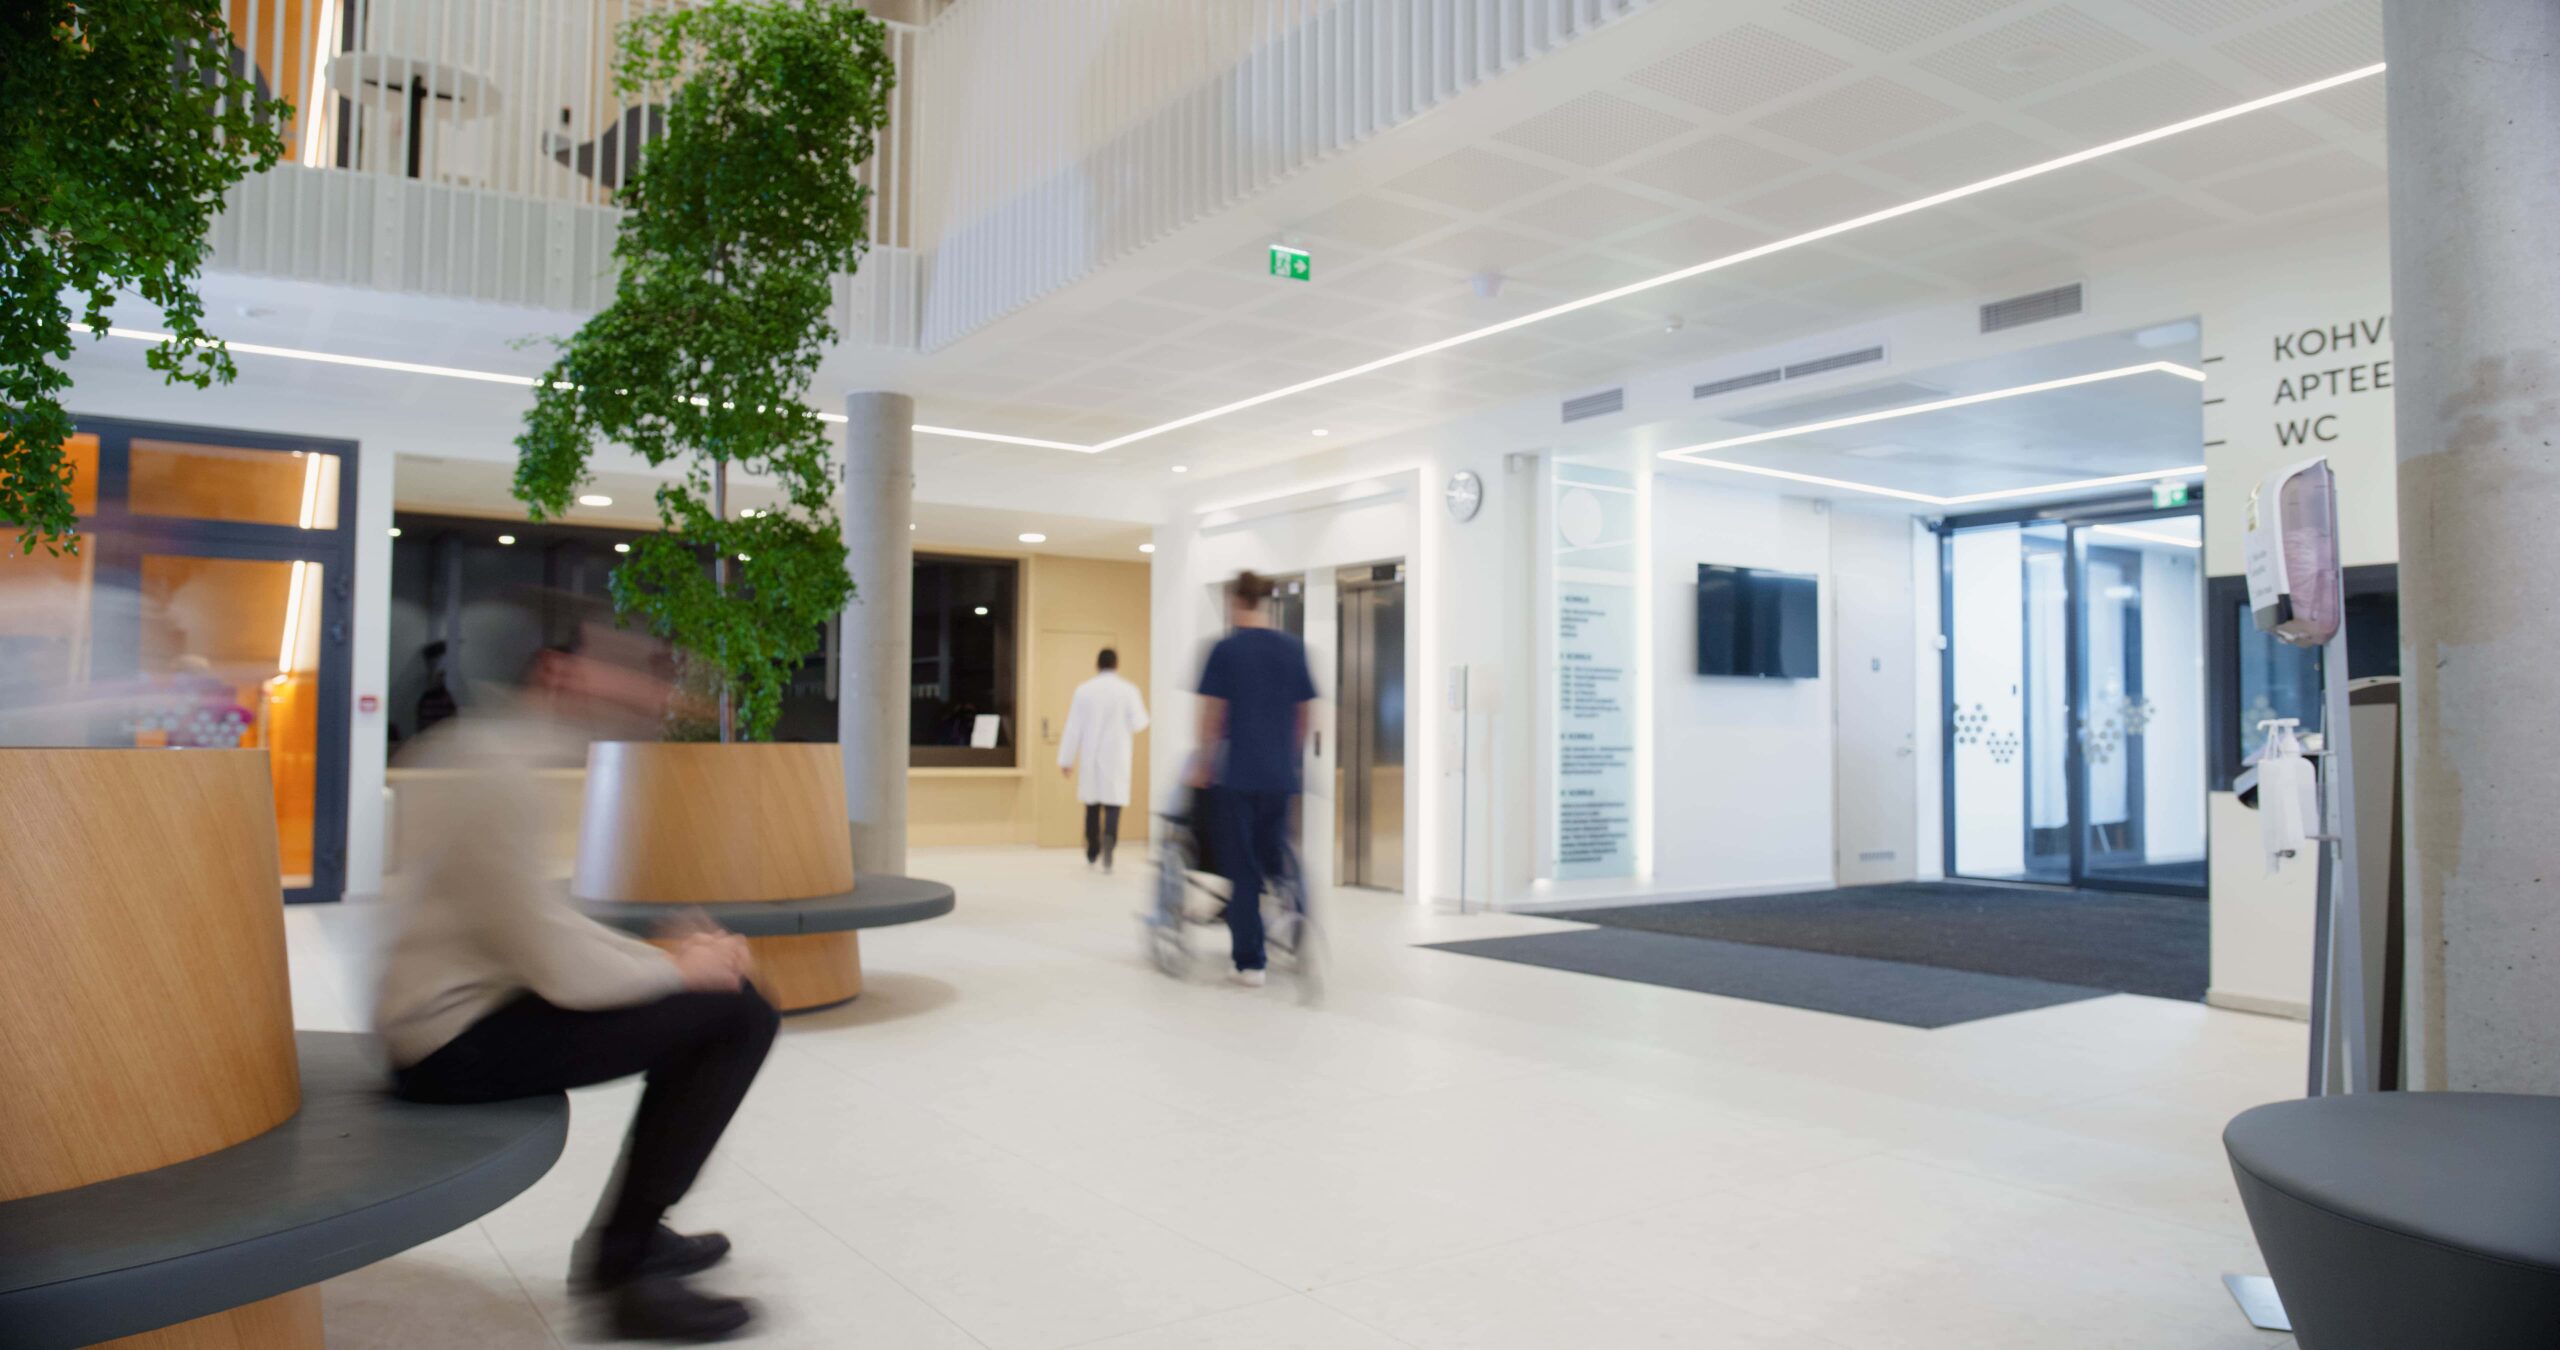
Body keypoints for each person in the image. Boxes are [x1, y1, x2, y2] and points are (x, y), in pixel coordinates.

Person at [373, 630, 776, 1343]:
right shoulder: (497, 771)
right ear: (558, 671)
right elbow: (546, 953)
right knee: (737, 1016)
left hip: (468, 1010)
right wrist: (677, 970)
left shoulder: (498, 751)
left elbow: (536, 920)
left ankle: (638, 1237)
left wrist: (669, 959)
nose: (650, 695)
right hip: (448, 1044)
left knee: (721, 1004)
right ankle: (625, 1271)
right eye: (627, 673)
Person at [1187, 571, 1316, 987]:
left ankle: (1250, 962)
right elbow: (1304, 713)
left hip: (1237, 778)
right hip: (1280, 777)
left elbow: (1211, 714)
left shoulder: (1226, 649)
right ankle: (1295, 926)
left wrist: (1203, 764)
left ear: (1235, 601)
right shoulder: (1293, 649)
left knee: (1243, 871)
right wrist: (1292, 760)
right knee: (1276, 860)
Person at [1058, 646, 1150, 872]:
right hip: (1117, 755)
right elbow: (1140, 722)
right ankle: (1109, 847)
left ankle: (1092, 849)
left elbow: (1073, 728)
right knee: (1113, 805)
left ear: (1097, 664)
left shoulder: (1084, 690)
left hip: (1091, 755)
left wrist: (1066, 759)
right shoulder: (1128, 690)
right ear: (1116, 664)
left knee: (1091, 805)